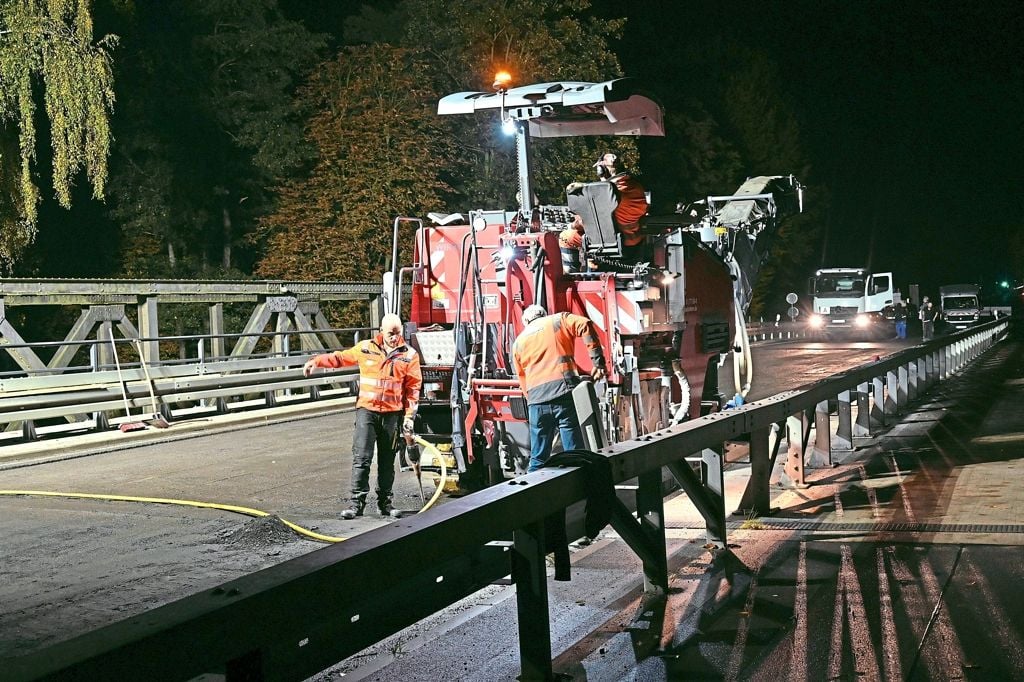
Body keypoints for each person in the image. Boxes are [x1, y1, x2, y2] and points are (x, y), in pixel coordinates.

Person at [303, 313, 422, 519]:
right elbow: (341, 358)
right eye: (390, 334)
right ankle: (356, 504)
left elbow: (413, 388)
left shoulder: (409, 355)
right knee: (362, 458)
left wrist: (409, 416)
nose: (394, 338)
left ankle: (385, 503)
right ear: (381, 332)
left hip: (391, 414)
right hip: (367, 411)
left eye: (398, 333)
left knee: (387, 460)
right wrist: (318, 361)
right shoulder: (366, 348)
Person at [512, 305, 606, 472]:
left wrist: (533, 399)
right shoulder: (558, 320)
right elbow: (585, 324)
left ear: (526, 321)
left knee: (538, 458)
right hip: (564, 394)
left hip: (536, 402)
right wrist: (598, 363)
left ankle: (533, 492)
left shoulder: (519, 341)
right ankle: (576, 493)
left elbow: (522, 378)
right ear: (544, 314)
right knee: (573, 454)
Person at [564, 152, 649, 257]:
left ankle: (571, 273)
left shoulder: (609, 194)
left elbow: (592, 222)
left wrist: (572, 225)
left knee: (566, 237)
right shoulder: (635, 186)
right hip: (634, 240)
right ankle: (594, 266)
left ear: (601, 171)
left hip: (612, 241)